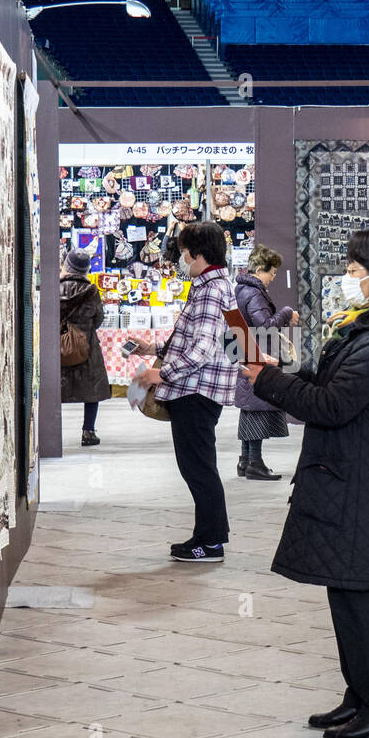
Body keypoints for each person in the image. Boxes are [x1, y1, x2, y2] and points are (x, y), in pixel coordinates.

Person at [242, 224, 369, 738]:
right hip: (348, 477)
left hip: (358, 482)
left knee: (355, 599)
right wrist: (286, 371)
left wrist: (268, 381)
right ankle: (361, 697)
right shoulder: (368, 332)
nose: (347, 277)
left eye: (354, 270)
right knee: (345, 596)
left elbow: (331, 406)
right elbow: (329, 386)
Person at [130, 222, 238, 563]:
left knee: (198, 467)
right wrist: (153, 347)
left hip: (196, 391)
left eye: (183, 252)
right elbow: (195, 339)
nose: (180, 259)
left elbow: (202, 349)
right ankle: (207, 537)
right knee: (198, 466)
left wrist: (158, 374)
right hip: (199, 389)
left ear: (197, 253)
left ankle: (210, 542)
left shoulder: (210, 289)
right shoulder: (214, 285)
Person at [233, 246, 299, 481]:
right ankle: (255, 463)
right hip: (259, 356)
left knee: (250, 408)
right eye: (272, 272)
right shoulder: (253, 293)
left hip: (247, 353)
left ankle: (245, 460)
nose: (273, 277)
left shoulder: (241, 290)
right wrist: (286, 313)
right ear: (260, 270)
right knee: (258, 406)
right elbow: (266, 326)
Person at [59, 249, 109, 446]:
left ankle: (51, 431)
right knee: (91, 388)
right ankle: (88, 431)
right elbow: (99, 319)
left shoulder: (55, 288)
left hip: (58, 344)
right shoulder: (92, 291)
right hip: (86, 346)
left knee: (55, 386)